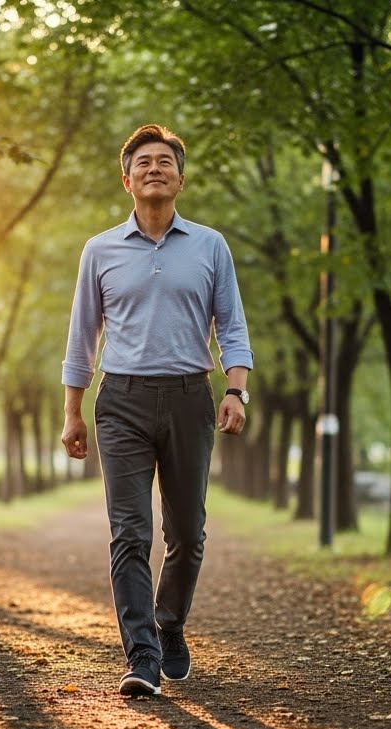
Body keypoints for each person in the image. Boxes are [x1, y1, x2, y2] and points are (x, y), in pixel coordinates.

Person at [60, 123, 254, 696]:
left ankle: (169, 623)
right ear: (127, 179)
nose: (154, 168)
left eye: (164, 161)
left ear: (180, 178)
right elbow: (82, 337)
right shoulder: (99, 250)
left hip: (191, 397)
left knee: (188, 533)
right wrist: (73, 411)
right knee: (130, 532)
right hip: (120, 401)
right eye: (142, 161)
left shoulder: (210, 246)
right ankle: (141, 656)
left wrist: (236, 390)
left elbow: (233, 326)